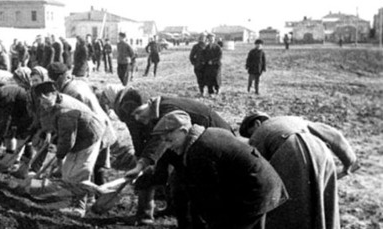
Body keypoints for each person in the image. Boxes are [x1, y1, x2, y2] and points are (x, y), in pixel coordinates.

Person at [153, 110, 288, 229]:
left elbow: (211, 200)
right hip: (263, 185)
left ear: (183, 131)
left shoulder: (200, 151)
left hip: (255, 192)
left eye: (169, 140)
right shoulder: (208, 133)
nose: (167, 146)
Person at [125, 95, 235, 226]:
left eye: (138, 112)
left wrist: (141, 165)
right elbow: (162, 142)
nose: (137, 117)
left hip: (212, 144)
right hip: (190, 145)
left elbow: (158, 142)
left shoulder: (168, 109)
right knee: (176, 183)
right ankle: (177, 215)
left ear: (148, 103)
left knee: (193, 188)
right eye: (134, 115)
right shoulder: (157, 111)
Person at [239, 112, 357, 229]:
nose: (251, 138)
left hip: (291, 152)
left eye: (249, 134)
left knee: (290, 209)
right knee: (324, 201)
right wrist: (349, 162)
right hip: (321, 151)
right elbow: (334, 135)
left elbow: (258, 169)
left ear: (257, 123)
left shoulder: (259, 134)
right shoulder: (294, 120)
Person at [33, 81, 106, 218]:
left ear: (55, 94)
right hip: (80, 135)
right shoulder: (52, 104)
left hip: (88, 137)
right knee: (70, 173)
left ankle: (80, 207)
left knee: (74, 175)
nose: (43, 103)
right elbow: (51, 125)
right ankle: (89, 197)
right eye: (40, 100)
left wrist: (59, 158)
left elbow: (67, 141)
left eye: (45, 99)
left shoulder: (65, 112)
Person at [47, 63, 117, 185]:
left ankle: (98, 198)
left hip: (95, 129)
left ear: (60, 78)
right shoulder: (76, 84)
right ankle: (95, 196)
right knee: (93, 166)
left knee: (90, 166)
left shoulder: (72, 92)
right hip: (96, 126)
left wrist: (60, 150)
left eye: (53, 81)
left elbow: (70, 123)